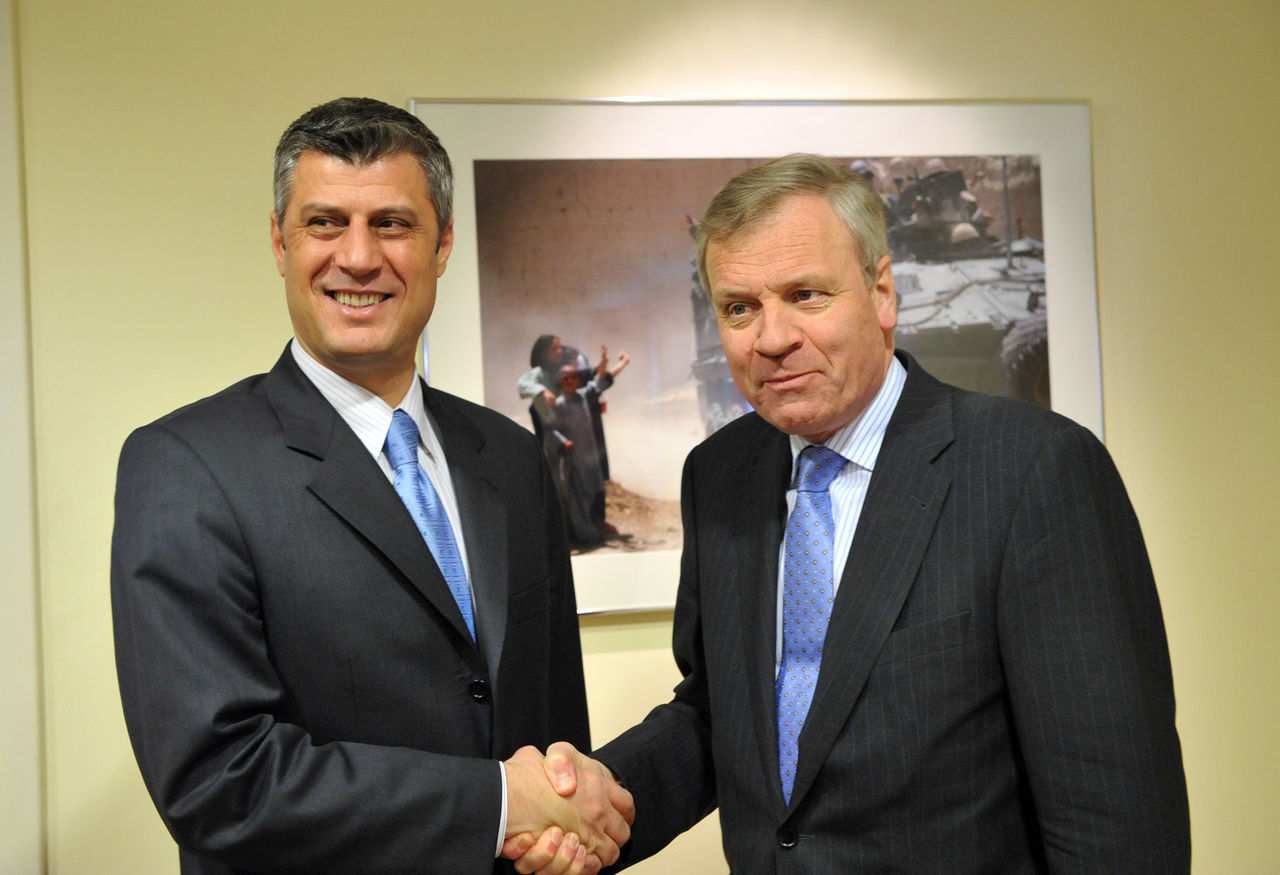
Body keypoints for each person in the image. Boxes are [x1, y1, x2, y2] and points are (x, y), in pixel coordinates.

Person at [526, 154, 1190, 872]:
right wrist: (595, 800)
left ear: (881, 294)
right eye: (740, 307)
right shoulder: (718, 476)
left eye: (805, 294)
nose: (771, 337)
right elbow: (724, 714)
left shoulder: (1034, 470)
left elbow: (1117, 820)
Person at [110, 97, 631, 875]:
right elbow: (219, 782)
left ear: (442, 243)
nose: (358, 258)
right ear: (279, 243)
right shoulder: (185, 465)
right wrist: (497, 803)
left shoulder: (511, 457)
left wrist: (565, 825)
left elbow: (558, 733)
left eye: (391, 223)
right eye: (324, 223)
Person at [547, 348, 630, 546]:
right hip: (573, 459)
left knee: (592, 492)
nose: (569, 382)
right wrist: (563, 442)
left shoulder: (584, 396)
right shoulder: (558, 404)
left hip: (589, 457)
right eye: (565, 379)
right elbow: (551, 429)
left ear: (577, 379)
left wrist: (604, 362)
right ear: (560, 381)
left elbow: (600, 382)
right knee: (576, 497)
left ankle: (592, 528)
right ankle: (583, 535)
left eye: (573, 378)